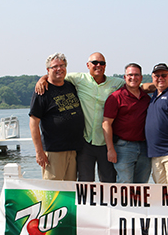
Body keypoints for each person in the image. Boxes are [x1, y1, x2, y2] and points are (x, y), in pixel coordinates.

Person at [36, 52, 125, 183]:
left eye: (102, 63)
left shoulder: (116, 83)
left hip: (106, 142)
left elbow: (136, 84)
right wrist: (42, 79)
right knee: (84, 182)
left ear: (106, 66)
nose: (98, 65)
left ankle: (106, 204)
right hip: (84, 142)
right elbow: (56, 74)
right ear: (88, 65)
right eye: (95, 63)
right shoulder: (77, 79)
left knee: (109, 181)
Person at [29, 52, 84, 181]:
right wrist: (39, 152)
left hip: (73, 149)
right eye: (55, 66)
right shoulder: (42, 92)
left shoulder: (70, 86)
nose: (59, 69)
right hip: (53, 151)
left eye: (62, 65)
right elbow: (33, 123)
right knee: (53, 191)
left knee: (70, 191)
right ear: (48, 70)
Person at [102, 63, 151, 183]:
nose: (133, 78)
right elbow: (106, 123)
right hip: (123, 147)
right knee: (125, 185)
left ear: (141, 77)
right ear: (124, 77)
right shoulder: (115, 97)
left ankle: (140, 203)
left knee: (142, 186)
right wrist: (110, 149)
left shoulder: (147, 98)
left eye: (136, 75)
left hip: (145, 147)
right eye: (130, 75)